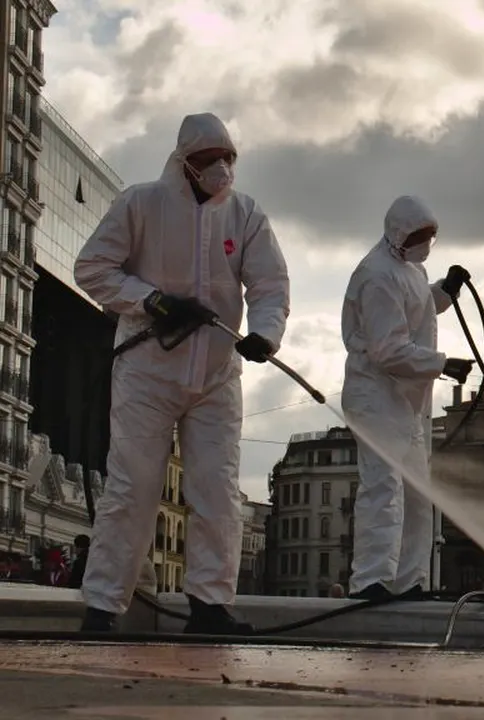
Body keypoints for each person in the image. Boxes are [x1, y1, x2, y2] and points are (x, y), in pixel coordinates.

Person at [73, 112, 290, 634]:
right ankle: (103, 607)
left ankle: (210, 606)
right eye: (209, 159)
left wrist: (265, 332)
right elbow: (93, 269)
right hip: (147, 370)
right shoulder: (140, 203)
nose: (220, 168)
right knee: (133, 486)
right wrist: (150, 301)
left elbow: (269, 284)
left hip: (217, 374)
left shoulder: (245, 214)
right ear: (184, 162)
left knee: (217, 487)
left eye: (228, 158)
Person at [341, 195, 472, 601]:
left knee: (418, 495)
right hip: (377, 397)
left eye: (431, 236)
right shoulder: (377, 275)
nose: (426, 243)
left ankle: (409, 581)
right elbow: (388, 350)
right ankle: (371, 581)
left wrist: (445, 292)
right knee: (383, 487)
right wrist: (442, 364)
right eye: (420, 235)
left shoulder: (409, 267)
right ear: (399, 233)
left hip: (405, 402)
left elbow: (418, 307)